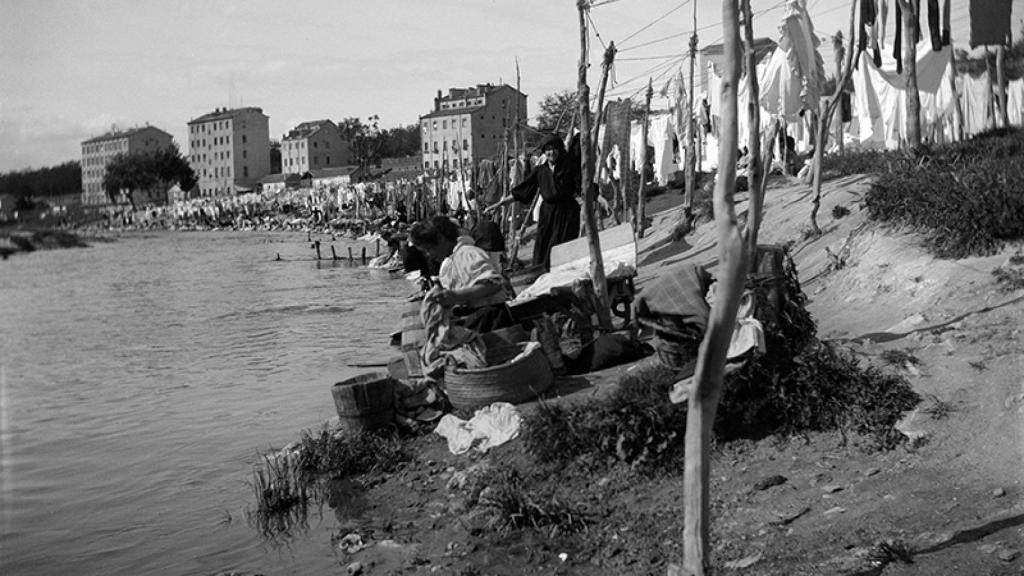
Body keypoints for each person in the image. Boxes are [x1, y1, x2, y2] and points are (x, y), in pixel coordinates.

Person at [485, 132, 581, 270]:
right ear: (544, 152)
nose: (551, 152)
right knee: (543, 246)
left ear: (559, 149)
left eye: (554, 149)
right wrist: (500, 203)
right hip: (548, 215)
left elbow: (583, 187)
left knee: (563, 246)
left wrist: (599, 198)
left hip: (567, 213)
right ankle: (543, 276)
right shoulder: (540, 171)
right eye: (548, 150)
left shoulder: (569, 167)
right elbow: (522, 191)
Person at [408, 215, 514, 333]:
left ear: (441, 239)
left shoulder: (468, 254)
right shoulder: (447, 264)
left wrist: (456, 295)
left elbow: (493, 285)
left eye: (429, 249)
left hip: (490, 317)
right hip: (472, 316)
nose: (429, 254)